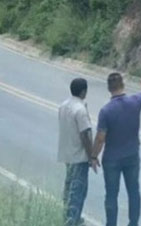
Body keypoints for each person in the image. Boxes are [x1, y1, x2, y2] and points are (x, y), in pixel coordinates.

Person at [92, 73, 141, 226]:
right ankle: (133, 223)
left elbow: (100, 138)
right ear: (123, 85)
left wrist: (93, 156)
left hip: (112, 159)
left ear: (109, 88)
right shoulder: (135, 102)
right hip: (132, 156)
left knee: (111, 195)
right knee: (133, 192)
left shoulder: (106, 111)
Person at [58, 78, 95, 226]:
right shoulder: (80, 110)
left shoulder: (64, 106)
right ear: (83, 91)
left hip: (67, 154)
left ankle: (69, 217)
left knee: (69, 188)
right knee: (78, 191)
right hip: (79, 157)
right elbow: (84, 134)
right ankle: (72, 220)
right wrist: (91, 156)